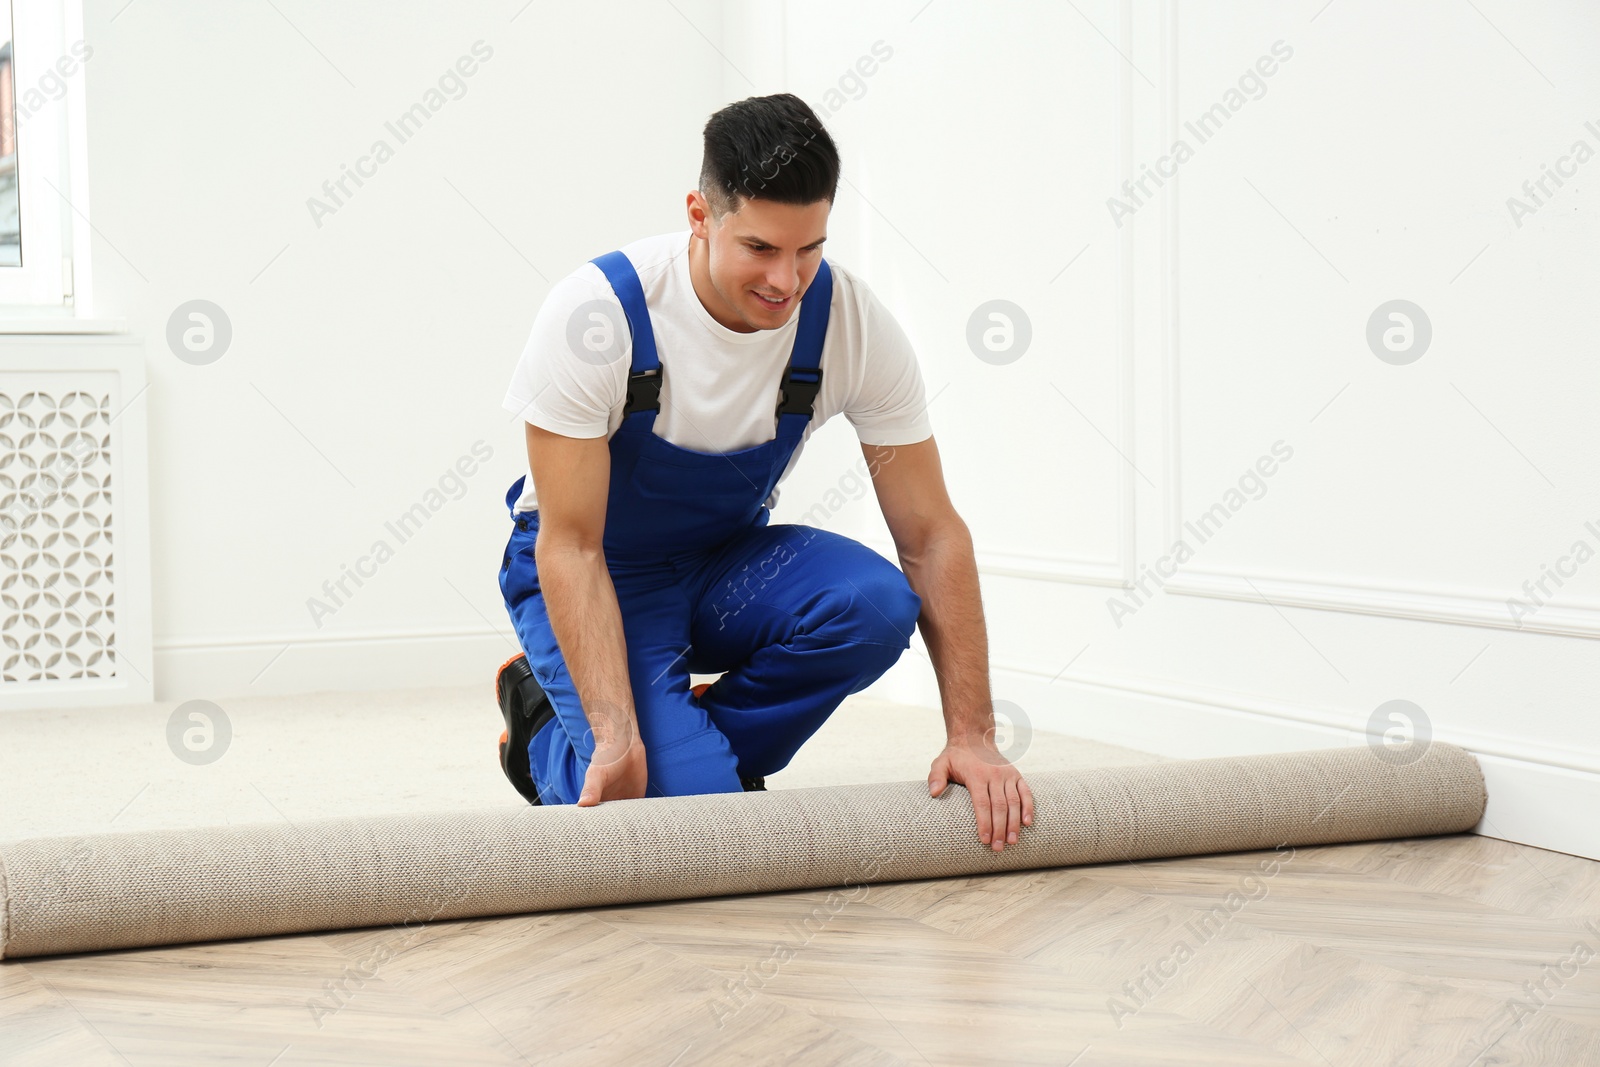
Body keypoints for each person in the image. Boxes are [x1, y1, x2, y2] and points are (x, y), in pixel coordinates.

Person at [495, 93, 1032, 852]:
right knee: (680, 824)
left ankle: (681, 742)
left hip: (719, 563)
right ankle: (547, 736)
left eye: (808, 247)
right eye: (759, 248)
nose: (788, 279)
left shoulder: (849, 322)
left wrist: (972, 733)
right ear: (698, 214)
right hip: (594, 574)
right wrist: (616, 735)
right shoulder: (599, 314)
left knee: (876, 603)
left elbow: (932, 533)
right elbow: (571, 546)